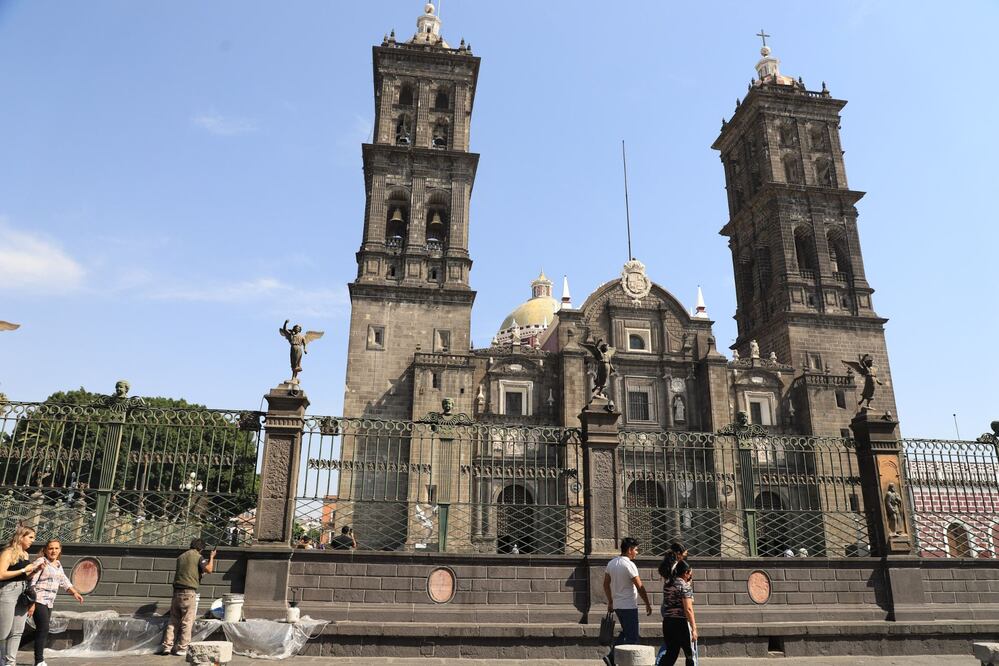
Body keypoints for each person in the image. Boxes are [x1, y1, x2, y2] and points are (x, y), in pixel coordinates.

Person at [26, 539, 84, 666]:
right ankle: (39, 661)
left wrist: (74, 592)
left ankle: (18, 649)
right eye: (51, 548)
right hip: (39, 599)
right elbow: (31, 582)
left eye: (56, 548)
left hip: (49, 602)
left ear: (60, 550)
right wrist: (32, 603)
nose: (53, 551)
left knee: (42, 630)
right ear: (46, 550)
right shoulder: (42, 561)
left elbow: (64, 580)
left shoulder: (57, 564)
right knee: (43, 629)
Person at [160, 539, 216, 657]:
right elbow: (209, 569)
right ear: (201, 548)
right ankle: (182, 648)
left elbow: (188, 572)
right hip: (188, 593)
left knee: (173, 621)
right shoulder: (198, 556)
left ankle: (167, 646)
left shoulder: (181, 557)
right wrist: (212, 557)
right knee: (187, 621)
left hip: (176, 593)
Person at [602, 537, 652, 666]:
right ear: (629, 550)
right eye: (636, 549)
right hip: (628, 605)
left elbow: (606, 584)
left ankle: (612, 656)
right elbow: (640, 586)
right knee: (632, 637)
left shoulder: (612, 563)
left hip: (618, 605)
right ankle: (615, 658)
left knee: (626, 632)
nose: (637, 552)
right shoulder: (629, 565)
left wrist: (610, 601)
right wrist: (647, 603)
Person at [0, 525, 39, 666]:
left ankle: (10, 663)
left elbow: (25, 576)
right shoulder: (8, 552)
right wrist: (24, 569)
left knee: (17, 632)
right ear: (21, 536)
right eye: (30, 537)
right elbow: (1, 574)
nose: (33, 540)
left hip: (22, 592)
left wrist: (34, 571)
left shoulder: (25, 554)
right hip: (8, 591)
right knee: (3, 632)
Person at [659, 560, 698, 666]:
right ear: (686, 573)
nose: (691, 575)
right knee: (690, 655)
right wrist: (694, 628)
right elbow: (688, 609)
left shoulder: (667, 584)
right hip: (681, 624)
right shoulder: (684, 586)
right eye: (690, 573)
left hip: (668, 622)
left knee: (671, 654)